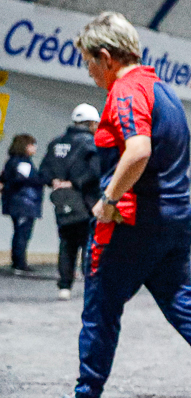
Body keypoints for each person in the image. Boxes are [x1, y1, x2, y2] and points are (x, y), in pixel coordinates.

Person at [36, 11, 191, 398]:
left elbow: (138, 150)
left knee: (100, 310)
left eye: (89, 62)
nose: (89, 72)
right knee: (182, 306)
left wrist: (108, 199)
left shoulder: (126, 91)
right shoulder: (165, 92)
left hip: (131, 223)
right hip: (175, 219)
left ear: (106, 56)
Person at [39, 104, 102, 300]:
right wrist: (74, 182)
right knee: (88, 242)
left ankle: (64, 285)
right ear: (92, 123)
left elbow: (44, 170)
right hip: (86, 201)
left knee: (66, 243)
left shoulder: (56, 143)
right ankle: (89, 283)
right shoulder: (92, 145)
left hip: (62, 201)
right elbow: (95, 172)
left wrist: (55, 182)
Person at [2, 134, 46, 276]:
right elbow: (24, 180)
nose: (35, 148)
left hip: (16, 202)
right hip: (24, 202)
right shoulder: (23, 163)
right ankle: (19, 263)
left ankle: (18, 261)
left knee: (19, 232)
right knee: (23, 233)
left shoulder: (11, 162)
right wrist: (42, 179)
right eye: (32, 145)